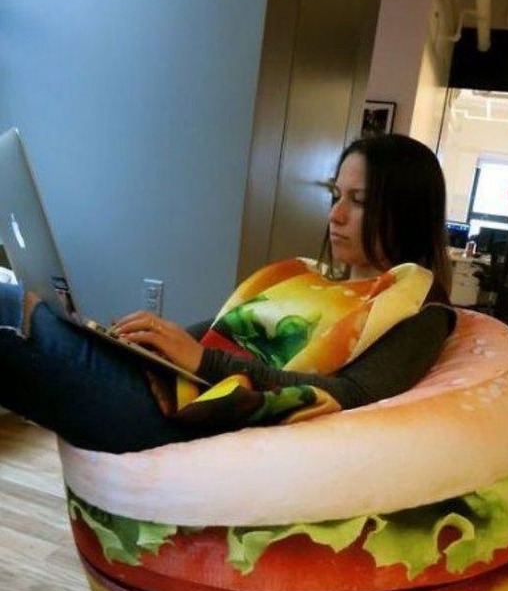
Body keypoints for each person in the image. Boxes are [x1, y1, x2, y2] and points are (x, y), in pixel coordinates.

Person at [0, 133, 456, 454]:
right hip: (167, 386)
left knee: (8, 310)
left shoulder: (421, 308)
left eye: (359, 201)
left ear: (408, 210)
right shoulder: (309, 276)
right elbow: (217, 332)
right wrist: (145, 341)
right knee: (24, 307)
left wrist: (204, 362)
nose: (335, 215)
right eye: (336, 196)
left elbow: (352, 395)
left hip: (192, 421)